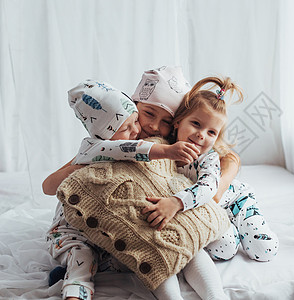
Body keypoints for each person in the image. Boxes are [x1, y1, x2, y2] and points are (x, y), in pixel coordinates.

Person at [45, 78, 229, 300]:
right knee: (84, 257)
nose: (153, 126)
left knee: (175, 245)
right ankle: (75, 280)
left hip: (139, 221)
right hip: (82, 226)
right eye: (149, 114)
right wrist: (85, 165)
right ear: (133, 106)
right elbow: (50, 185)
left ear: (176, 123)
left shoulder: (176, 145)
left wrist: (178, 200)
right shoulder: (101, 144)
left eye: (166, 121)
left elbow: (221, 166)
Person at [142, 76, 279, 262]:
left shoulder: (209, 158)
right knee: (224, 250)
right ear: (178, 121)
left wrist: (175, 203)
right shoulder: (165, 150)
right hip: (209, 211)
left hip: (234, 202)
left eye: (211, 132)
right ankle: (234, 232)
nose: (201, 135)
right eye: (196, 124)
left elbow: (209, 188)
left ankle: (245, 225)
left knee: (265, 250)